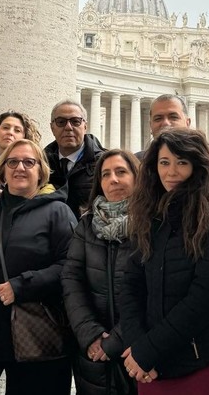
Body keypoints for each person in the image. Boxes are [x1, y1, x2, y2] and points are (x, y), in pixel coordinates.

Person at [0, 139, 77, 395]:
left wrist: (22, 286)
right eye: (12, 162)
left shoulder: (58, 213)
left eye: (29, 162)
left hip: (34, 337)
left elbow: (71, 267)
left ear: (40, 171)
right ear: (2, 171)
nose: (20, 167)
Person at [120, 128, 209, 395]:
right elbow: (130, 284)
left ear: (198, 167)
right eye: (164, 162)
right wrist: (138, 346)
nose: (171, 172)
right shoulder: (149, 215)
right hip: (151, 368)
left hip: (200, 364)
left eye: (181, 162)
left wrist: (147, 350)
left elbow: (203, 300)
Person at [62, 150, 140, 395]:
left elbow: (152, 291)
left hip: (137, 349)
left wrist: (115, 340)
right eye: (105, 174)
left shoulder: (152, 222)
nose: (113, 179)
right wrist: (90, 333)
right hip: (92, 349)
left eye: (121, 172)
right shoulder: (87, 224)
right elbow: (72, 279)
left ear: (137, 177)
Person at [135, 94, 209, 189]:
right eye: (158, 118)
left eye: (173, 117)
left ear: (187, 123)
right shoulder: (135, 163)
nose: (165, 123)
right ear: (150, 125)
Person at [44, 99, 105, 219]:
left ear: (85, 126)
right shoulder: (40, 163)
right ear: (52, 128)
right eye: (61, 122)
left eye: (75, 121)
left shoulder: (104, 164)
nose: (68, 127)